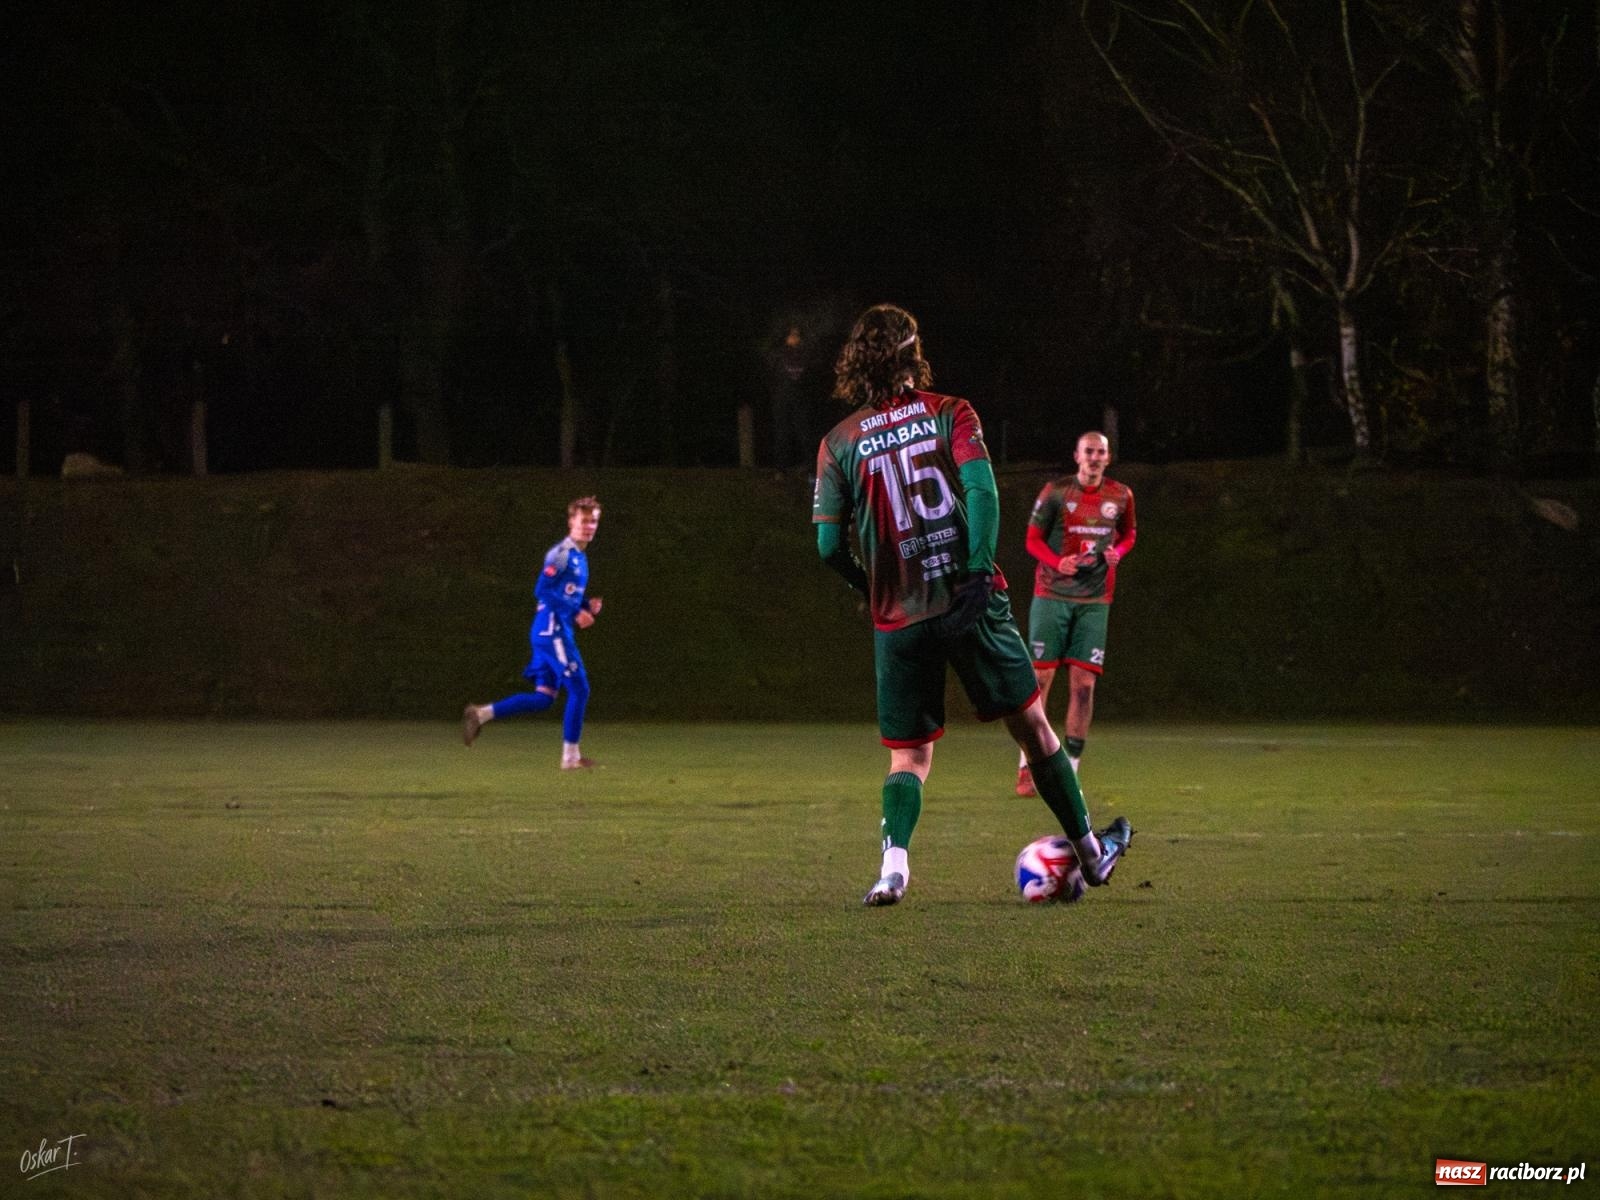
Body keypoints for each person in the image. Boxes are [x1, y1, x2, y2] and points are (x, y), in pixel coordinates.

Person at [812, 304, 1131, 906]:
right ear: (913, 356)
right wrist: (978, 573)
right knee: (1034, 729)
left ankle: (894, 870)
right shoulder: (949, 412)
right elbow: (982, 491)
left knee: (908, 754)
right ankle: (1092, 853)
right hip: (967, 600)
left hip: (899, 616)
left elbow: (829, 545)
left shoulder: (837, 443)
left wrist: (870, 586)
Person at [1015, 432, 1136, 796]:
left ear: (1108, 457)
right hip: (1052, 595)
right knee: (1038, 680)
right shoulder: (1056, 492)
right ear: (1077, 455)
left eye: (1101, 452)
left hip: (1095, 600)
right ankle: (1027, 765)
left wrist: (1120, 552)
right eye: (1089, 451)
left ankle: (1070, 770)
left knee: (1084, 686)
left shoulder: (1121, 495)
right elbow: (1032, 540)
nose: (1095, 457)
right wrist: (1057, 561)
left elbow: (1128, 534)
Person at [462, 496, 604, 769]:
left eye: (594, 521)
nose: (589, 526)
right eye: (584, 521)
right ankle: (571, 758)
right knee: (580, 688)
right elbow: (542, 590)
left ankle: (480, 715)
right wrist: (576, 613)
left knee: (543, 698)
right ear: (571, 522)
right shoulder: (561, 554)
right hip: (553, 632)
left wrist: (586, 605)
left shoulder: (580, 556)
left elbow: (564, 594)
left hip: (549, 631)